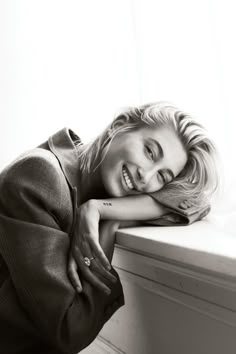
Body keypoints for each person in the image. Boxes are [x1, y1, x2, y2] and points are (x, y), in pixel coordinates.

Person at [0, 102, 218, 353]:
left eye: (162, 177)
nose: (146, 177)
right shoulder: (39, 176)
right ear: (119, 126)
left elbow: (196, 201)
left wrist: (104, 210)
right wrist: (107, 226)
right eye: (149, 152)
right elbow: (70, 328)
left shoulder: (91, 191)